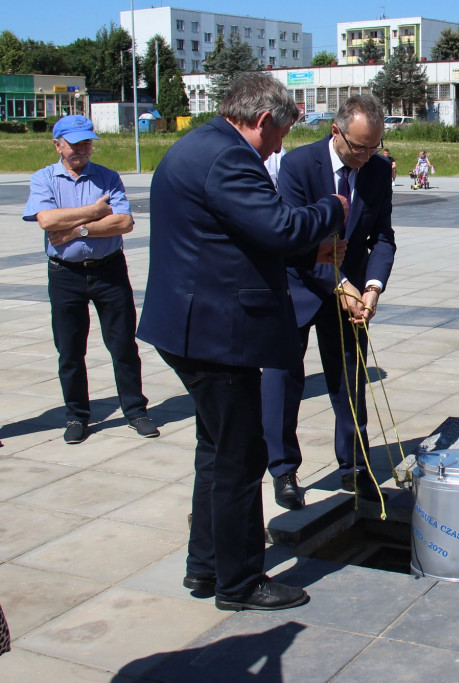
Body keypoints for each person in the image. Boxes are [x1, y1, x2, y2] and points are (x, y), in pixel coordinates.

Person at [137, 72, 348, 611]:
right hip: (213, 334)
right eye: (278, 136)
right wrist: (331, 212)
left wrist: (308, 254)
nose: (279, 147)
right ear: (260, 121)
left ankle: (206, 565)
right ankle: (239, 582)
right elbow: (277, 226)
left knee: (215, 449)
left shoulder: (198, 146)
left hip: (189, 324)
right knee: (240, 456)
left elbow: (232, 235)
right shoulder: (229, 158)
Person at [261, 94, 396, 510]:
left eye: (374, 147)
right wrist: (339, 285)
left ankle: (355, 466)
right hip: (299, 288)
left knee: (350, 383)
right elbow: (293, 242)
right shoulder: (299, 166)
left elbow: (383, 238)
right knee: (284, 383)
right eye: (359, 147)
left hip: (352, 297)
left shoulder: (376, 172)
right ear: (336, 131)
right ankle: (283, 470)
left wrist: (371, 286)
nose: (366, 156)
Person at [23, 114, 158, 444]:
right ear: (58, 145)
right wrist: (96, 212)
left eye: (87, 142)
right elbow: (46, 220)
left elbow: (124, 223)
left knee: (123, 345)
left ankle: (136, 410)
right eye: (75, 143)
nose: (83, 149)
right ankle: (76, 415)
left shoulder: (108, 178)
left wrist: (78, 228)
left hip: (108, 270)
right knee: (69, 349)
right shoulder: (44, 179)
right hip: (65, 274)